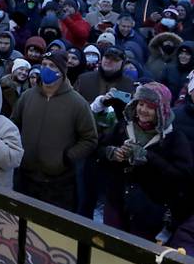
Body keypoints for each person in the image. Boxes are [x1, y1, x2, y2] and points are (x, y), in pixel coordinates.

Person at [100, 84, 193, 241]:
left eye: (150, 107)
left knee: (138, 252)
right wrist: (112, 153)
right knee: (110, 243)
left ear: (161, 110)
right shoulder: (124, 126)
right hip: (116, 200)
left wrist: (148, 157)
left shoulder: (173, 137)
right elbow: (100, 148)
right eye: (141, 104)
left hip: (149, 207)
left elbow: (183, 174)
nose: (143, 110)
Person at [12, 51, 98, 211]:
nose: (46, 69)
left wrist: (67, 157)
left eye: (52, 66)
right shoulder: (27, 96)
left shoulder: (77, 103)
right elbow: (13, 126)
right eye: (44, 64)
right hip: (25, 177)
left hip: (58, 184)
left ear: (62, 70)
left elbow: (90, 139)